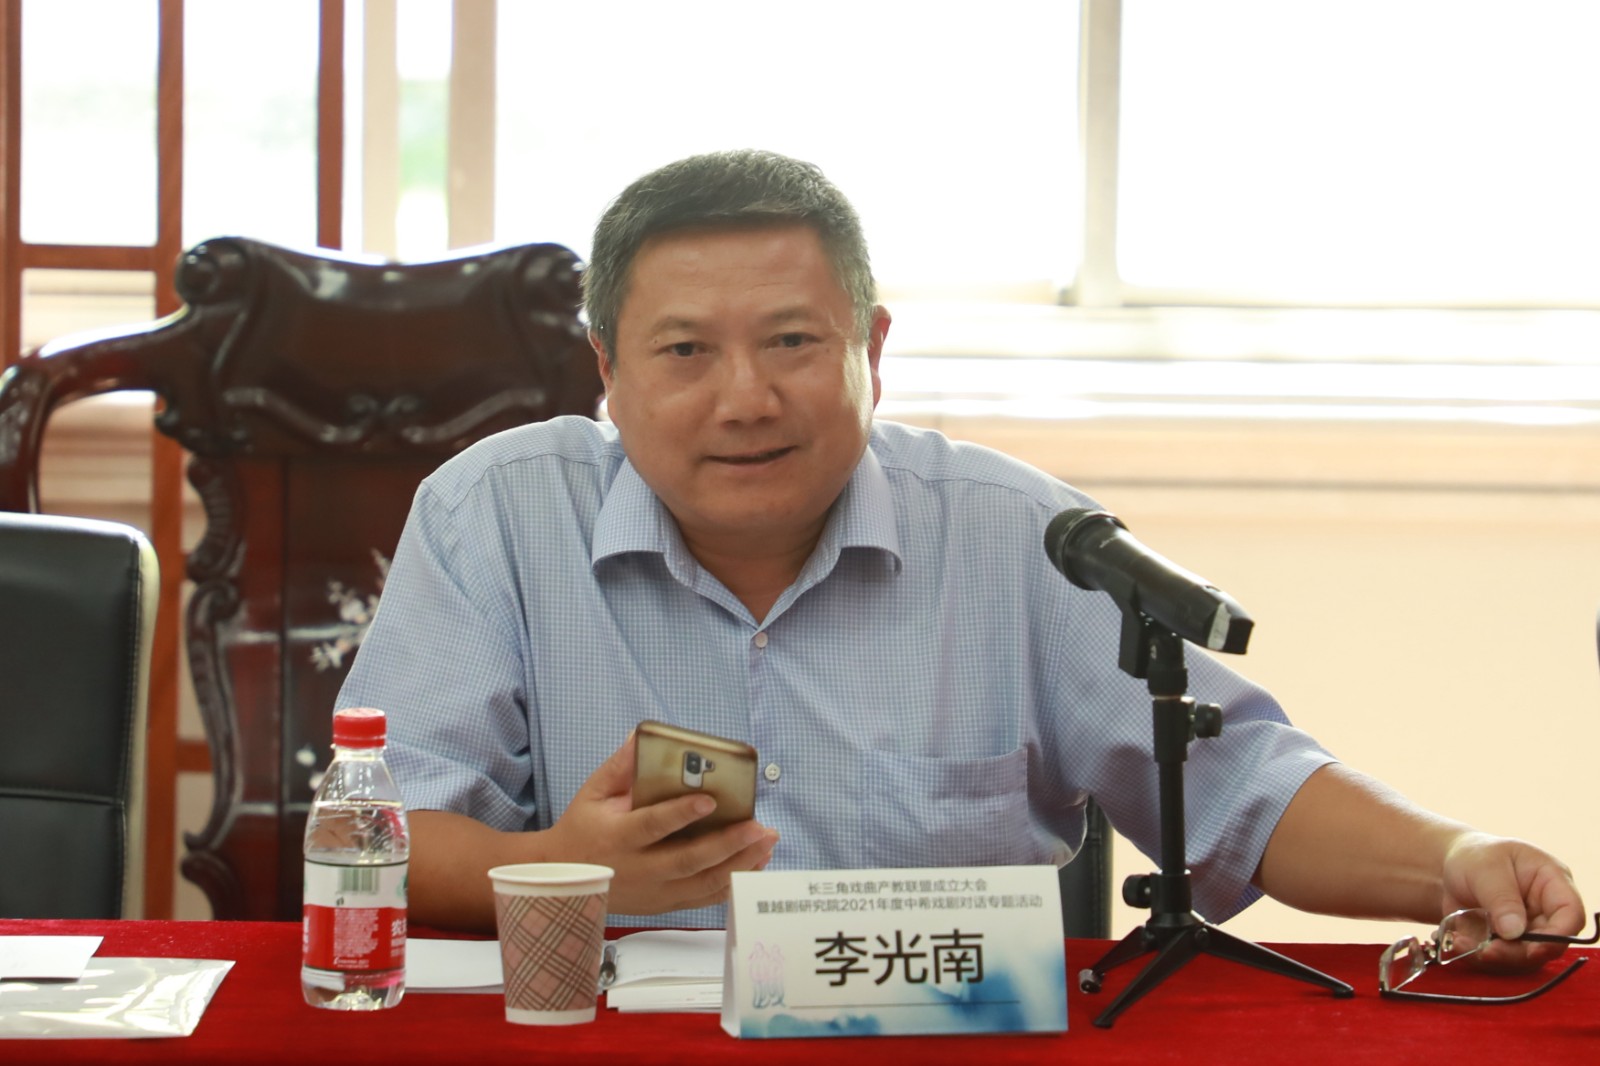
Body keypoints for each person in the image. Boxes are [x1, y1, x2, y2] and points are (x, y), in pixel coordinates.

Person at [336, 150, 1584, 966]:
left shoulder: (1014, 535)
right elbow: (373, 840)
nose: (746, 397)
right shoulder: (498, 513)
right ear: (606, 370)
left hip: (939, 1040)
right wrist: (567, 868)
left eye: (793, 342)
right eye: (684, 352)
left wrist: (1453, 858)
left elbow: (1243, 786)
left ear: (873, 349)